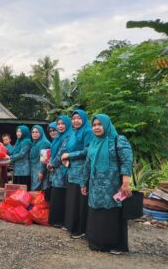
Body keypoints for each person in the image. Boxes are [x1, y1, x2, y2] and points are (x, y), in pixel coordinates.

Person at [82, 114, 133, 254]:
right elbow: (87, 164)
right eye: (94, 125)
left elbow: (127, 162)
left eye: (99, 124)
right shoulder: (93, 142)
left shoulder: (118, 140)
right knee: (96, 213)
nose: (96, 127)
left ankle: (114, 245)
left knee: (111, 214)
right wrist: (83, 183)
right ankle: (97, 243)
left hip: (113, 186)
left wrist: (125, 183)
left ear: (106, 125)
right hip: (95, 186)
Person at [60, 109, 93, 239]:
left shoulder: (88, 131)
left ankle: (81, 229)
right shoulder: (74, 133)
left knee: (80, 200)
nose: (76, 121)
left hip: (82, 171)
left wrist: (69, 155)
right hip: (72, 170)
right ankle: (72, 225)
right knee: (73, 199)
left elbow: (88, 150)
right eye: (73, 118)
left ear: (84, 119)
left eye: (79, 118)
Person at [47, 115, 72, 228]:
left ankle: (60, 220)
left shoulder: (68, 136)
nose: (60, 126)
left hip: (63, 170)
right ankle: (56, 220)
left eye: (62, 124)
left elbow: (62, 153)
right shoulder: (58, 138)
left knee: (60, 195)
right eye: (58, 124)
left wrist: (52, 164)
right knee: (57, 194)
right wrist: (50, 163)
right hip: (55, 171)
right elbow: (53, 154)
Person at [30, 125, 51, 194]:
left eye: (37, 132)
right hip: (34, 170)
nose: (34, 134)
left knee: (38, 190)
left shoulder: (44, 143)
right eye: (33, 132)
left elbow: (44, 159)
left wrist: (41, 172)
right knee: (35, 191)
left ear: (41, 133)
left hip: (40, 170)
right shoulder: (35, 143)